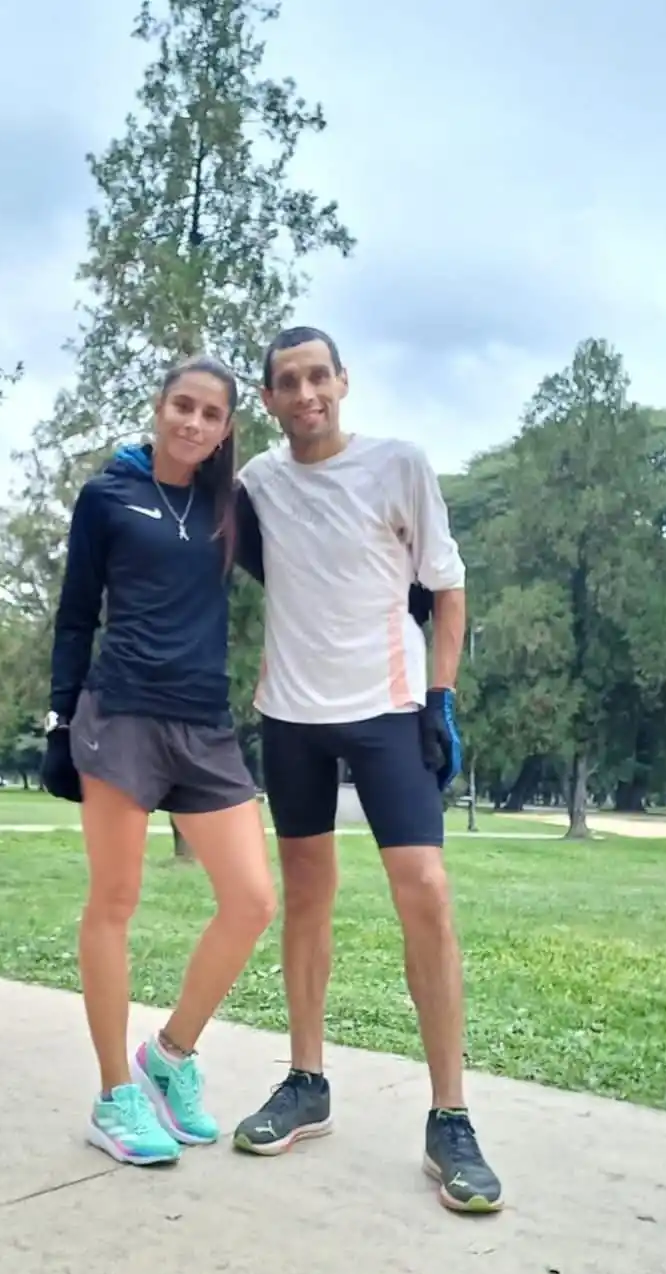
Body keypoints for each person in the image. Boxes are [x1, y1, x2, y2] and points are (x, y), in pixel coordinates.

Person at [231, 326, 503, 1214]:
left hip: (387, 712)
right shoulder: (258, 485)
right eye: (287, 382)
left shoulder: (400, 465)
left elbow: (448, 584)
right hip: (291, 716)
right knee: (305, 892)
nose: (306, 393)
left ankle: (451, 1118)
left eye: (319, 376)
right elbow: (186, 493)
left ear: (343, 381)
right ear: (269, 400)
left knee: (423, 886)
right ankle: (306, 1080)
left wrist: (442, 697)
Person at [41, 355, 276, 1167]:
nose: (194, 424)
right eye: (183, 406)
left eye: (212, 416)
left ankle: (167, 1059)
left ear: (224, 430)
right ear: (159, 405)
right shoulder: (108, 495)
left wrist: (413, 590)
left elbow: (302, 568)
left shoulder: (228, 505)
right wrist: (57, 722)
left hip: (205, 725)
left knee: (250, 901)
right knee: (115, 900)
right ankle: (114, 1096)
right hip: (123, 716)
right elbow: (76, 617)